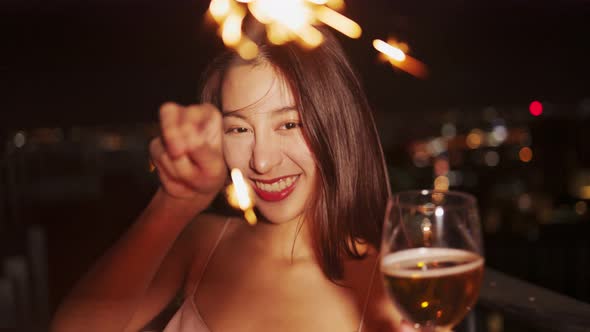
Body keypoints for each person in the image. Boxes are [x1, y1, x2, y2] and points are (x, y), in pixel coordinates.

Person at [51, 29, 406, 332]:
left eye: (289, 124)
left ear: (336, 125)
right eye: (238, 128)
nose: (262, 161)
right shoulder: (202, 242)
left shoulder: (391, 284)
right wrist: (174, 202)